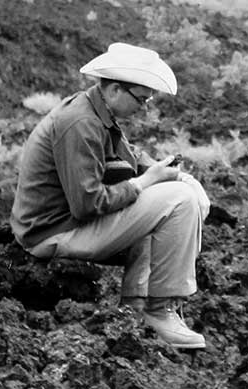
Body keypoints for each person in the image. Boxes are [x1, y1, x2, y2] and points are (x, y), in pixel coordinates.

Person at [11, 42, 210, 350]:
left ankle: (136, 307)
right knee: (179, 201)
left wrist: (177, 175)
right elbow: (87, 203)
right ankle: (159, 310)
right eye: (141, 99)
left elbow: (130, 156)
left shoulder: (97, 112)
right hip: (54, 233)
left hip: (66, 224)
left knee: (178, 192)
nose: (144, 108)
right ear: (116, 89)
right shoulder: (81, 123)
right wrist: (144, 183)